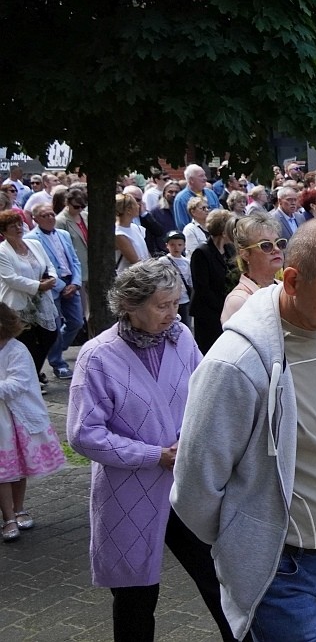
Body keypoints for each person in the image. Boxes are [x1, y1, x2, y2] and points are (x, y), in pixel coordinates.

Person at [171, 217, 316, 641]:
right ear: (293, 281)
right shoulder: (235, 364)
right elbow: (194, 488)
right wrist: (249, 541)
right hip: (282, 572)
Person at [67, 260, 238, 641]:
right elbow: (83, 434)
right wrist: (154, 455)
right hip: (129, 492)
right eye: (163, 305)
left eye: (177, 303)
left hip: (185, 484)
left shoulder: (181, 337)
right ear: (128, 304)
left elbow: (202, 398)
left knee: (219, 582)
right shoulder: (97, 356)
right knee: (136, 598)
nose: (173, 314)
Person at [0, 302, 66, 542]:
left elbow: (19, 383)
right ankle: (8, 516)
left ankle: (18, 508)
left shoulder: (17, 350)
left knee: (16, 468)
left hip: (15, 419)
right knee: (2, 472)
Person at [27, 203, 84, 379]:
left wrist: (75, 283)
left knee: (77, 322)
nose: (51, 218)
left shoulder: (64, 234)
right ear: (35, 219)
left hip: (71, 282)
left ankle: (58, 347)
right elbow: (42, 267)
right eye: (45, 215)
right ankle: (58, 362)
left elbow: (75, 260)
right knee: (55, 325)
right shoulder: (32, 239)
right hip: (52, 285)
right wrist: (60, 285)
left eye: (52, 214)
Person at [0, 210, 58, 381]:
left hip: (42, 301)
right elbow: (11, 279)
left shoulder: (34, 244)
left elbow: (49, 265)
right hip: (18, 303)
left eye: (19, 224)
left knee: (50, 335)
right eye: (13, 226)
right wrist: (38, 286)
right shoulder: (2, 252)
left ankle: (32, 374)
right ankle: (28, 378)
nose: (18, 228)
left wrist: (52, 279)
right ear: (3, 231)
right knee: (27, 341)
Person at [220, 214, 283, 324]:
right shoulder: (239, 300)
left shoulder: (282, 288)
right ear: (245, 254)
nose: (276, 249)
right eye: (266, 245)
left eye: (279, 243)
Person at [189, 209, 236, 354]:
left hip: (226, 311)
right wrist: (224, 306)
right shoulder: (201, 253)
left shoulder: (230, 250)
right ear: (223, 232)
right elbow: (202, 288)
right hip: (209, 315)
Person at [159, 232, 193, 327]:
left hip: (184, 299)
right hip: (167, 298)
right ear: (167, 246)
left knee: (185, 324)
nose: (176, 248)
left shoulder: (187, 262)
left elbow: (190, 281)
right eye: (172, 245)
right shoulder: (163, 261)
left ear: (184, 246)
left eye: (179, 245)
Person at [115, 192, 150, 274]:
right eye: (135, 204)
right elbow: (135, 261)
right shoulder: (118, 234)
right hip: (129, 278)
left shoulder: (136, 227)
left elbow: (146, 254)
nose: (138, 206)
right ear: (128, 210)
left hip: (145, 274)